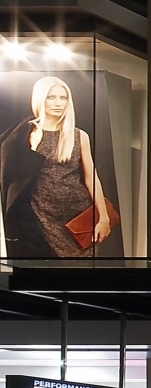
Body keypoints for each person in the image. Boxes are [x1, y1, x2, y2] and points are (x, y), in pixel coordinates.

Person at [1, 75, 114, 258]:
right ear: (40, 99)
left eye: (63, 98)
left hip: (76, 217)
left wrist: (103, 217)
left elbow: (91, 178)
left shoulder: (78, 136)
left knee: (79, 273)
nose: (58, 103)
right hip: (42, 216)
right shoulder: (26, 134)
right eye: (51, 97)